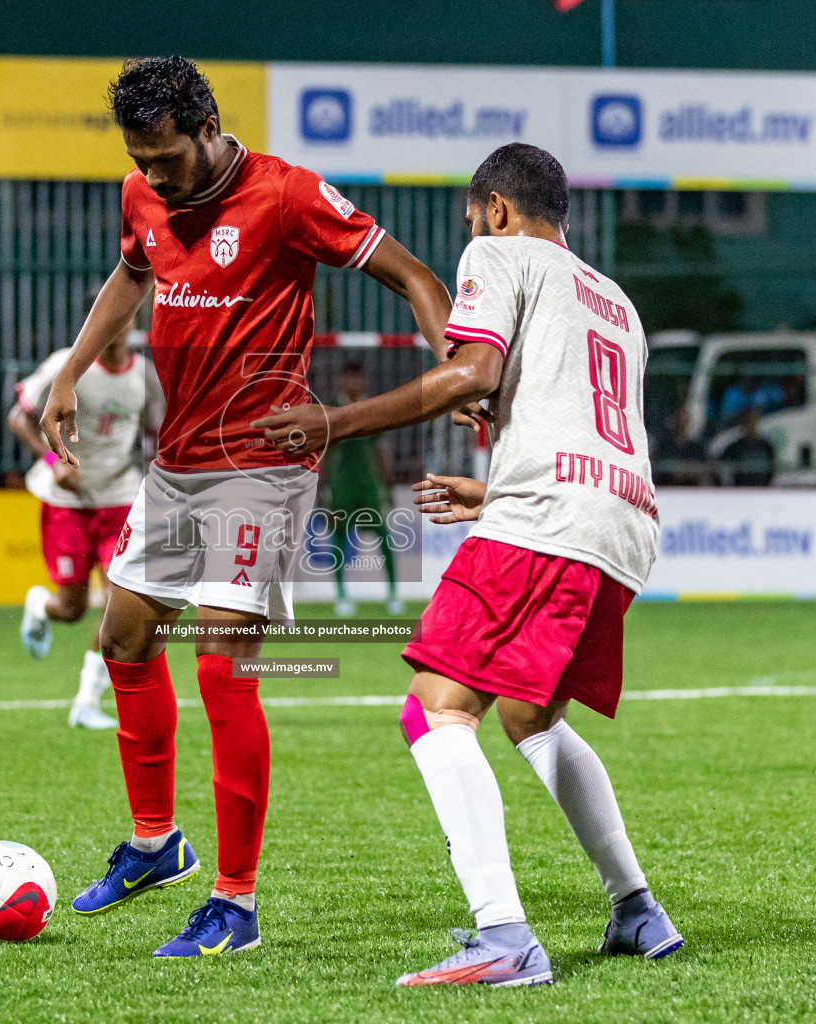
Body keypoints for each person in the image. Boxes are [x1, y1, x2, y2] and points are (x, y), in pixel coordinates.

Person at [37, 56, 453, 957]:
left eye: (167, 160)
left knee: (224, 664)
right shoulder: (141, 196)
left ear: (209, 125)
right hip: (176, 462)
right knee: (124, 638)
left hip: (263, 463)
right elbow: (130, 274)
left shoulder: (288, 195)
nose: (154, 178)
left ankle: (236, 902)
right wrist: (70, 369)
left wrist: (459, 367)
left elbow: (418, 278)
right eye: (140, 161)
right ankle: (156, 846)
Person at [256, 142, 681, 986]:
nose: (471, 231)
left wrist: (333, 422)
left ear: (495, 208)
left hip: (549, 523)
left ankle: (505, 937)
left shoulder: (498, 251)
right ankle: (636, 908)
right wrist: (498, 495)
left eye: (470, 217)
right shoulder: (616, 301)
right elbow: (580, 427)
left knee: (433, 709)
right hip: (621, 528)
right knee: (530, 718)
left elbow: (471, 373)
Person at [13, 300, 159, 730]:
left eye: (126, 316)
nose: (119, 324)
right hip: (68, 505)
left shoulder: (143, 376)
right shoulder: (67, 365)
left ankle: (86, 702)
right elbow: (20, 418)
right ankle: (41, 605)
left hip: (119, 498)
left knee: (120, 599)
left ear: (134, 322)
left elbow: (158, 433)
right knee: (72, 608)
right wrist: (53, 463)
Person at [324, 362, 403, 616]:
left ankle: (393, 594)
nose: (353, 383)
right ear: (342, 381)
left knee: (383, 536)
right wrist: (322, 487)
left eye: (357, 378)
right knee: (339, 540)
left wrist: (388, 485)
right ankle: (341, 596)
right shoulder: (332, 408)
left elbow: (382, 449)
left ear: (363, 381)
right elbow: (324, 450)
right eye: (349, 378)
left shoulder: (373, 408)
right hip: (341, 485)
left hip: (369, 485)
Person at [652, 405, 711, 486]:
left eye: (684, 419)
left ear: (688, 421)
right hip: (666, 488)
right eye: (679, 418)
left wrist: (687, 473)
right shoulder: (664, 446)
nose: (681, 422)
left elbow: (702, 468)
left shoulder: (696, 448)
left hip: (691, 489)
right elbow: (658, 466)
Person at [719, 407, 777, 486]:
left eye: (753, 421)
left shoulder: (765, 446)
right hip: (741, 490)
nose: (751, 424)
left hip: (762, 489)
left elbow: (773, 467)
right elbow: (720, 463)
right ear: (743, 424)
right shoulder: (736, 446)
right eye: (748, 421)